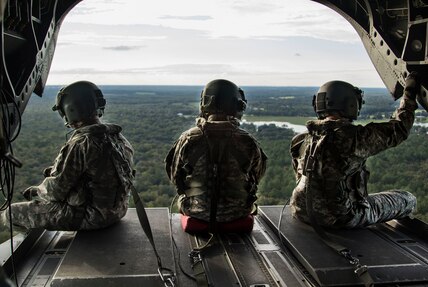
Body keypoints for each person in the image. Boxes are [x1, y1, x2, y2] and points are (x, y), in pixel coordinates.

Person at [290, 74, 419, 229]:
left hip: (302, 212)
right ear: (351, 104)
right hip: (342, 217)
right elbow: (399, 129)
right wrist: (409, 94)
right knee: (407, 199)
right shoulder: (355, 138)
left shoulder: (301, 139)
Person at [3, 81, 134, 231]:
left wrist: (37, 190)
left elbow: (56, 191)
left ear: (69, 110)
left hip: (91, 217)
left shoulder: (82, 143)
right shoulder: (118, 138)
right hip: (117, 212)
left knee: (10, 214)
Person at [165, 79, 267, 225]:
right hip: (238, 213)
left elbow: (175, 177)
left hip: (194, 211)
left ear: (204, 104)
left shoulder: (188, 138)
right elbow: (256, 176)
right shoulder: (248, 142)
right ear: (237, 106)